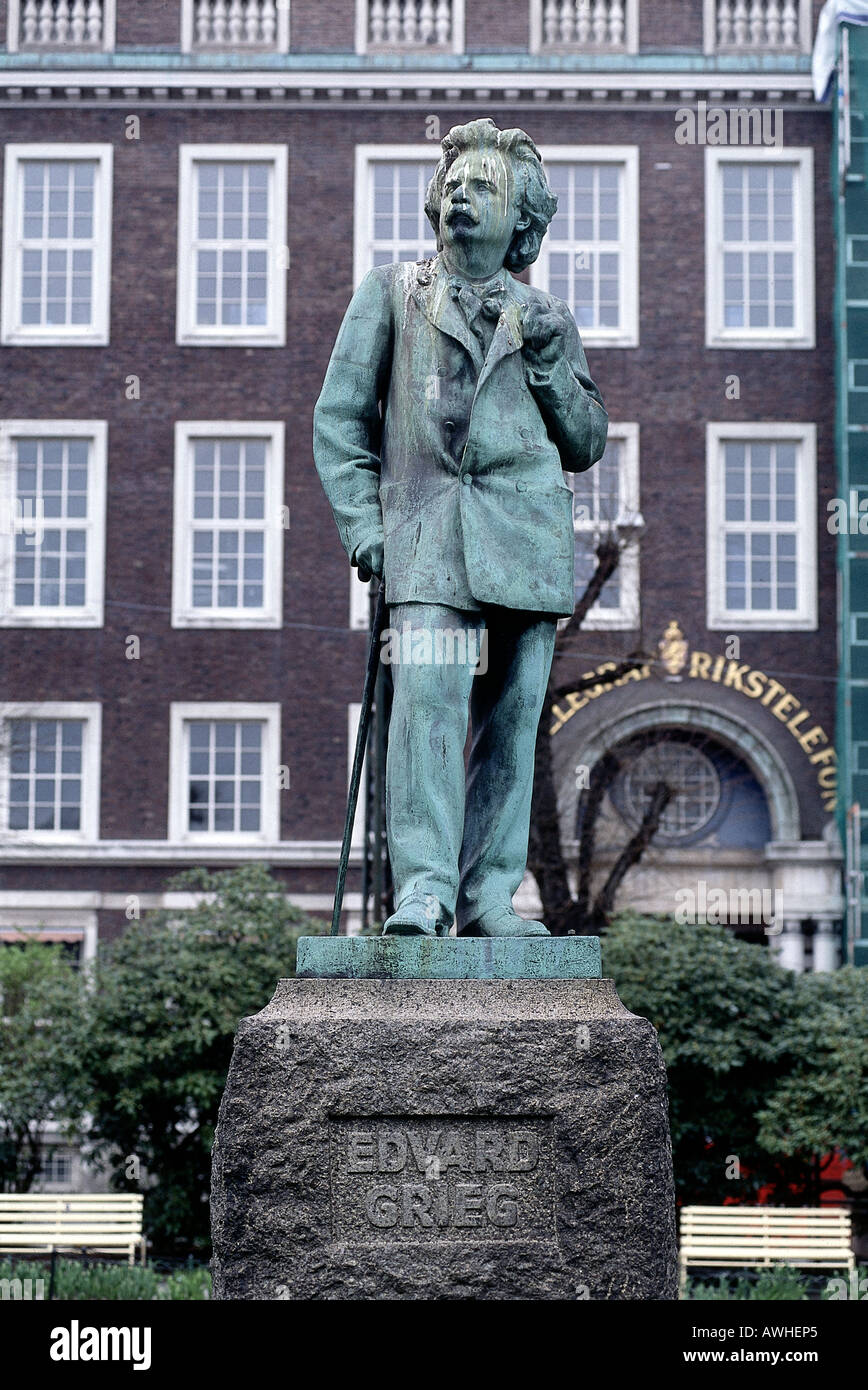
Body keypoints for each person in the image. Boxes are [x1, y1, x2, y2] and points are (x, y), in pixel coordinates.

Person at [314, 118, 607, 937]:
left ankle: (488, 900)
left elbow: (586, 441)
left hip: (527, 544)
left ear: (522, 221)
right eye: (454, 185)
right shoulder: (390, 293)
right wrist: (363, 525)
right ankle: (425, 890)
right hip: (425, 541)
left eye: (484, 187)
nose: (462, 197)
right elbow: (339, 420)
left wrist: (547, 364)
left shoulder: (548, 316)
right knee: (426, 709)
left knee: (512, 728)